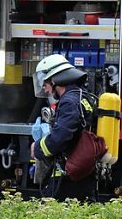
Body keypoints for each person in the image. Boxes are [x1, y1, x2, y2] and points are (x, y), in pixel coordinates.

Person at [31, 54, 97, 201]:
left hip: (68, 178)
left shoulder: (68, 102)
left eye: (46, 84)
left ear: (55, 81)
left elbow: (60, 138)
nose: (46, 90)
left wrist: (37, 148)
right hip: (83, 173)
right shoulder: (83, 97)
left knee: (49, 218)